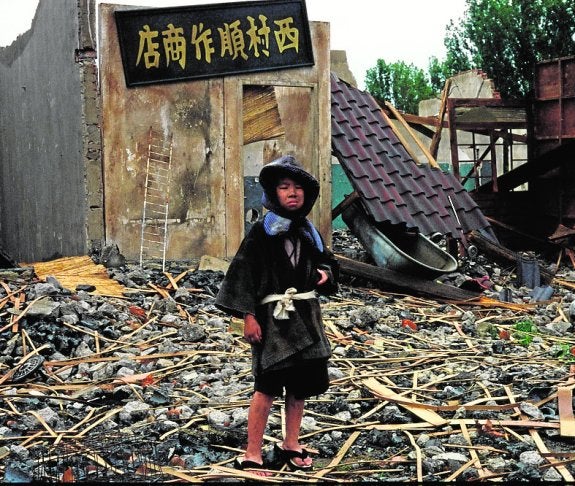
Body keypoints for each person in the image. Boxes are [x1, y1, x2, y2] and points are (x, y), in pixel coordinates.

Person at [215, 155, 338, 475]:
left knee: (300, 388)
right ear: (274, 193)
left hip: (307, 318)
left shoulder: (310, 232)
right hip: (273, 321)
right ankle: (253, 451)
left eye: (298, 188)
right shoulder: (261, 232)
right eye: (284, 187)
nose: (292, 193)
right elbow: (242, 275)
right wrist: (248, 316)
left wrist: (324, 275)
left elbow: (327, 263)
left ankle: (291, 443)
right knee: (266, 387)